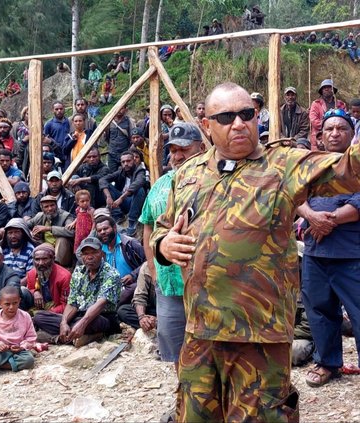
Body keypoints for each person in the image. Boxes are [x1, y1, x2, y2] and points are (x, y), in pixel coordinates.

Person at [151, 82, 360, 422]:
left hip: (259, 337)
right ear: (207, 125)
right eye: (227, 117)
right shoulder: (188, 174)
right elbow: (162, 227)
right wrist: (163, 244)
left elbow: (348, 170)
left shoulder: (283, 166)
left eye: (247, 114)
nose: (239, 124)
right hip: (200, 334)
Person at [139, 121, 205, 421]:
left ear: (201, 148)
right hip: (168, 284)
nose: (177, 156)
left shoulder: (212, 180)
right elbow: (148, 224)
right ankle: (186, 400)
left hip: (205, 285)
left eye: (184, 150)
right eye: (173, 150)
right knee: (177, 345)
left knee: (208, 345)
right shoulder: (160, 185)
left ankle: (211, 403)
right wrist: (152, 267)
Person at [296, 110, 360, 387]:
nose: (335, 133)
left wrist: (330, 219)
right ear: (320, 136)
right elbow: (294, 194)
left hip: (352, 252)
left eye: (341, 129)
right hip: (315, 254)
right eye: (329, 129)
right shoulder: (311, 164)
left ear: (351, 133)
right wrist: (311, 216)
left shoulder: (357, 162)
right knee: (320, 310)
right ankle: (327, 363)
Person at [33, 237, 121, 347]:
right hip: (78, 316)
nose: (89, 257)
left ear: (102, 254)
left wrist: (82, 323)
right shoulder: (79, 271)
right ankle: (75, 335)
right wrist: (63, 323)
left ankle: (65, 336)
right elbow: (72, 302)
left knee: (95, 321)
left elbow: (100, 304)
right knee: (39, 317)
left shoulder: (112, 274)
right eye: (85, 254)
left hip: (100, 317)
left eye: (94, 252)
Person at [0, 286, 36, 374]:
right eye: (7, 304)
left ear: (19, 301)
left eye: (15, 303)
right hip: (0, 352)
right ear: (0, 304)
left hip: (18, 352)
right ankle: (1, 362)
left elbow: (31, 337)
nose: (11, 307)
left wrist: (22, 346)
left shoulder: (25, 316)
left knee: (29, 360)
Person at [95, 216, 145, 306]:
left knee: (130, 290)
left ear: (114, 228)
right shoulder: (99, 250)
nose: (102, 232)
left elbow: (149, 261)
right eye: (99, 230)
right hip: (111, 287)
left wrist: (132, 275)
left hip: (133, 284)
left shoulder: (130, 243)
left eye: (105, 228)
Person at [99, 150, 147, 236]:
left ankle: (132, 222)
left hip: (136, 203)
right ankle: (118, 215)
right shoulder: (121, 171)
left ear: (134, 161)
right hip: (124, 203)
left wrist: (121, 198)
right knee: (107, 187)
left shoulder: (140, 170)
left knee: (140, 189)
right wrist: (108, 196)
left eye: (128, 161)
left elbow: (138, 183)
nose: (126, 164)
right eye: (123, 162)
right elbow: (102, 180)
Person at [27, 195, 75, 268]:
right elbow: (25, 225)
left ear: (56, 205)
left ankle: (56, 266)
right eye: (46, 207)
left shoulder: (66, 216)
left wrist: (48, 228)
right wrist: (31, 233)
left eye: (52, 205)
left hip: (64, 252)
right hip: (46, 247)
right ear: (42, 209)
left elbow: (71, 232)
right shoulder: (40, 216)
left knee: (61, 240)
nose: (50, 209)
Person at [117, 262, 156, 331]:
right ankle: (150, 324)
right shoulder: (146, 266)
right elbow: (139, 296)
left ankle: (159, 324)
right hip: (153, 310)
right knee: (123, 311)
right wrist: (142, 317)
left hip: (171, 313)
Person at [309, 79, 346, 150]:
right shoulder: (316, 104)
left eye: (329, 87)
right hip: (319, 139)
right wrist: (328, 126)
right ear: (321, 91)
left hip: (336, 138)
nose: (326, 89)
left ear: (333, 90)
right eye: (324, 87)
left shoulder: (341, 104)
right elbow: (314, 121)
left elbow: (344, 121)